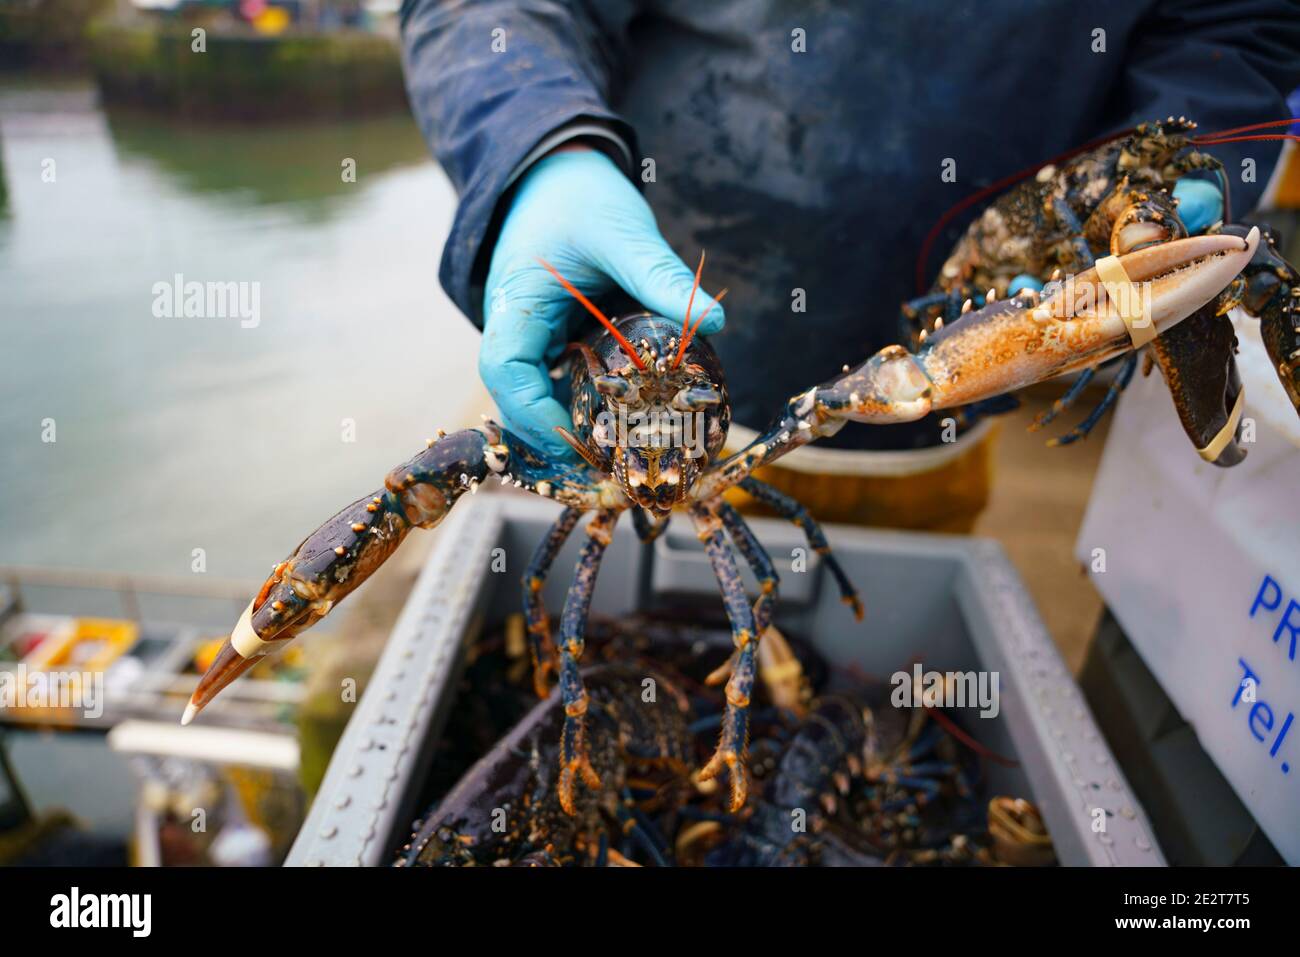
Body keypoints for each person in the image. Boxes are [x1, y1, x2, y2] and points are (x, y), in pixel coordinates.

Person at [398, 0, 1300, 528]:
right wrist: (539, 150)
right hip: (604, 391)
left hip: (949, 402)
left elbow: (1240, 22)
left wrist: (1187, 153)